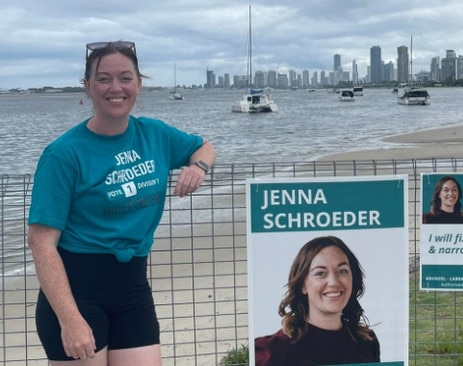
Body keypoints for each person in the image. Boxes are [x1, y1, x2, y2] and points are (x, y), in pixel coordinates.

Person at [27, 41, 216, 365]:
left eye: (125, 78)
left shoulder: (154, 134)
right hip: (77, 292)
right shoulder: (63, 154)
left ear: (139, 84)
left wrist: (197, 168)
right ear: (87, 86)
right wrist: (70, 320)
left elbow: (205, 147)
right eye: (103, 79)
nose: (116, 87)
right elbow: (41, 242)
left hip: (132, 289)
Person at [255, 236, 380, 365]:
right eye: (320, 273)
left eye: (343, 271)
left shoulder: (367, 343)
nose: (333, 282)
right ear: (302, 285)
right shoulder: (270, 352)